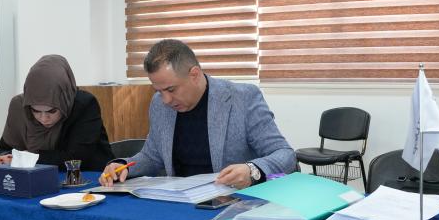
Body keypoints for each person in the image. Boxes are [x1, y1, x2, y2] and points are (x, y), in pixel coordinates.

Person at [99, 39, 295, 188]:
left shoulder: (242, 98)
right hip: (179, 201)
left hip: (232, 200)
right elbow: (152, 156)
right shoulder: (159, 104)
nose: (165, 100)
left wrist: (251, 170)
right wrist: (123, 166)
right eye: (158, 91)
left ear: (194, 74)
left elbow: (285, 155)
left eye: (171, 89)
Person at [0, 54, 114, 171]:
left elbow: (76, 158)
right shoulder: (19, 106)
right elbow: (2, 149)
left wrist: (24, 158)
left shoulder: (84, 105)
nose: (44, 118)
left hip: (89, 177)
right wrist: (4, 158)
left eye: (52, 111)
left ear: (63, 101)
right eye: (35, 111)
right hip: (33, 180)